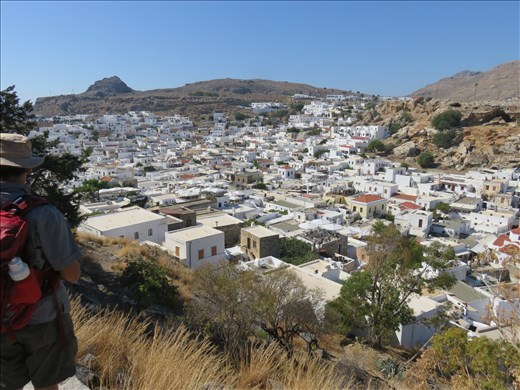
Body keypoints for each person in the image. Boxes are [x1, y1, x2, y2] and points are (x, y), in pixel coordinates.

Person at [0, 133, 82, 390]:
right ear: (28, 169)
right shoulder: (44, 214)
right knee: (47, 383)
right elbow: (72, 274)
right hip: (43, 315)